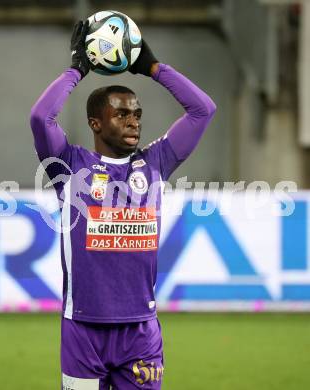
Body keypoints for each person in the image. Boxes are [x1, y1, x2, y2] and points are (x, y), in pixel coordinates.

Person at [30, 20, 216, 390]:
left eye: (137, 114)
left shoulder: (155, 163)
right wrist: (77, 69)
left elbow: (203, 110)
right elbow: (41, 117)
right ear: (95, 123)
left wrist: (153, 67)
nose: (134, 122)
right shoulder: (70, 166)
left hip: (140, 332)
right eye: (122, 114)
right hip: (83, 329)